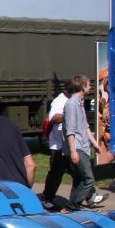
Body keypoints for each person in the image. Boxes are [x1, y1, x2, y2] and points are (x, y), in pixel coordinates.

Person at [62, 74, 106, 211]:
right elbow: (70, 130)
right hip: (77, 147)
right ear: (82, 86)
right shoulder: (71, 104)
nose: (91, 86)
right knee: (88, 179)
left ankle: (71, 208)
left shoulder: (80, 103)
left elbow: (85, 127)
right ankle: (72, 206)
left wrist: (94, 143)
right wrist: (73, 150)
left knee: (79, 179)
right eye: (88, 84)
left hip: (84, 147)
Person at [39, 83, 70, 211]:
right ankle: (46, 197)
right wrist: (69, 115)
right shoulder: (60, 100)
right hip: (59, 144)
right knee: (57, 172)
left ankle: (90, 196)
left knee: (79, 172)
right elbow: (53, 118)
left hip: (66, 143)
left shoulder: (71, 100)